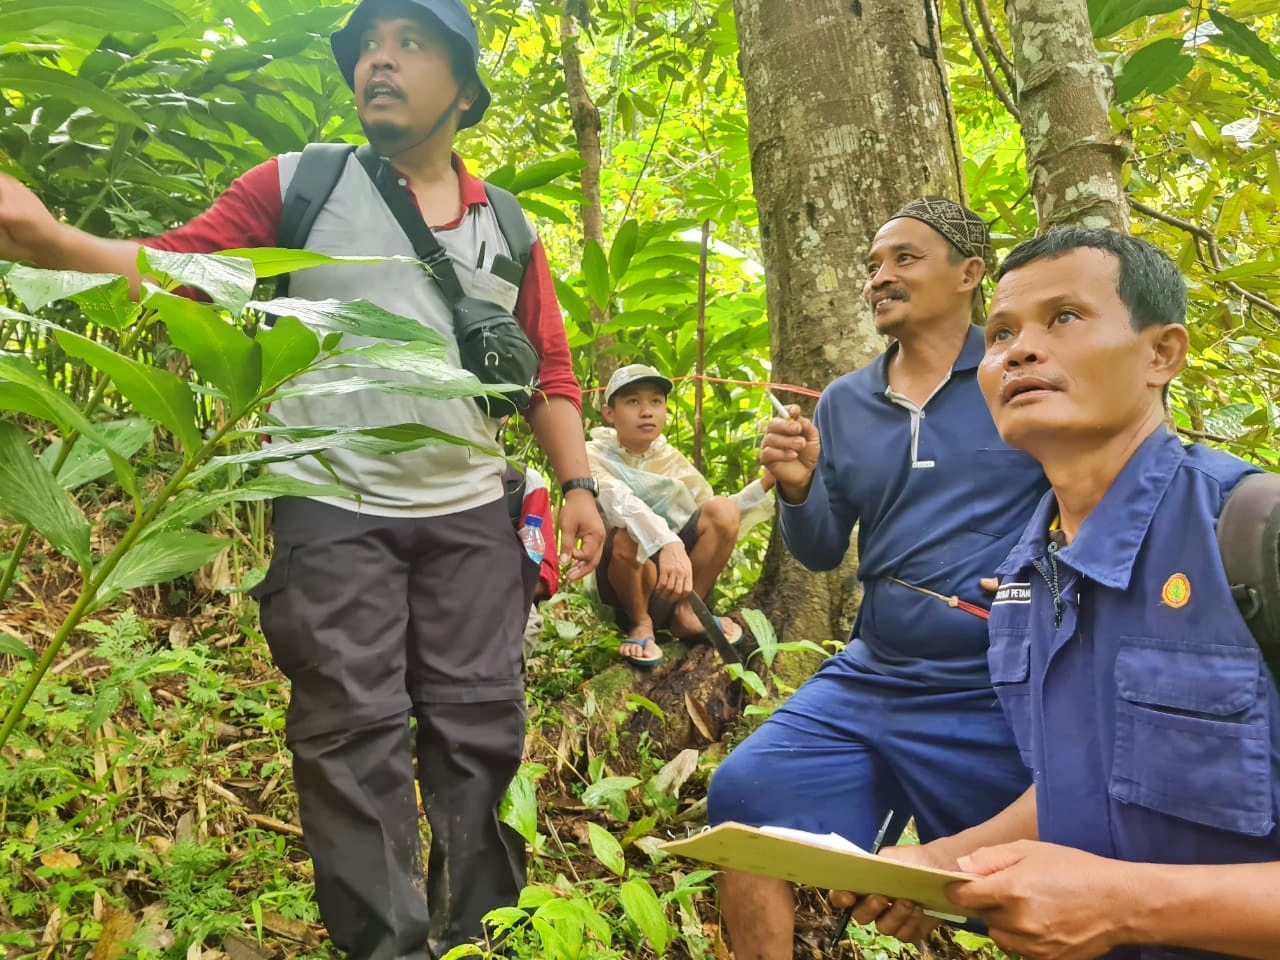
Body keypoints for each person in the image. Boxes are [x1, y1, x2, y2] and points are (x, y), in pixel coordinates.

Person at [0, 2, 606, 957]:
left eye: (409, 43)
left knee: (480, 734)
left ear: (464, 79)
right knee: (349, 743)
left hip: (470, 518)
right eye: (367, 46)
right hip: (333, 510)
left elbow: (549, 373)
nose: (380, 60)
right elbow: (183, 268)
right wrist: (53, 241)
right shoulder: (303, 183)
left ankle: (478, 938)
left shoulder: (509, 224)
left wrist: (581, 488)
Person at [842, 229, 1280, 960]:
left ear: (1161, 354)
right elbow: (1090, 779)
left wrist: (1127, 906)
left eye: (1065, 318)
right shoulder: (1027, 577)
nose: (1017, 350)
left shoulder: (1253, 538)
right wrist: (942, 861)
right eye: (1003, 331)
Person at [705, 198, 1049, 960]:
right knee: (742, 806)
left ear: (968, 274)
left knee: (1039, 872)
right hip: (877, 673)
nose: (879, 278)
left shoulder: (1016, 378)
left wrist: (1039, 588)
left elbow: (1084, 503)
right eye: (871, 265)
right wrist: (798, 488)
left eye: (903, 259)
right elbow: (825, 552)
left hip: (997, 688)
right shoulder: (845, 402)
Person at [588, 363, 775, 666]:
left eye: (656, 402)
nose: (647, 411)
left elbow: (713, 515)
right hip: (628, 585)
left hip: (677, 585)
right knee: (626, 535)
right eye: (633, 401)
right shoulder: (592, 455)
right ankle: (640, 624)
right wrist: (667, 544)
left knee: (722, 509)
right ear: (609, 413)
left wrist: (767, 482)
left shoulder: (670, 459)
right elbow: (618, 501)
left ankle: (688, 614)